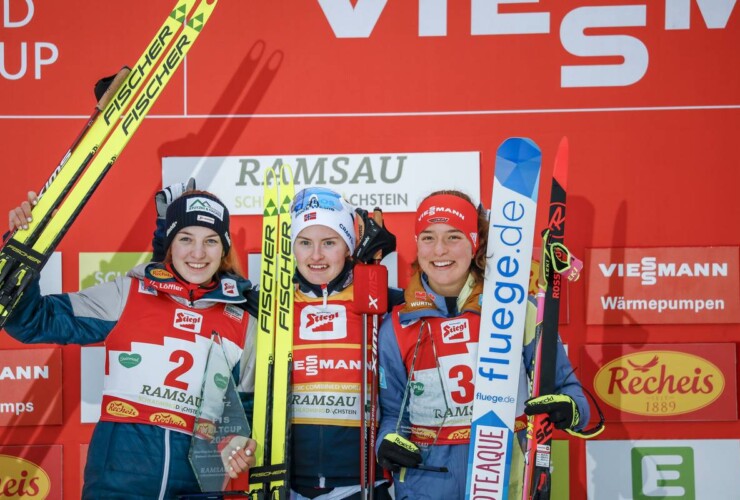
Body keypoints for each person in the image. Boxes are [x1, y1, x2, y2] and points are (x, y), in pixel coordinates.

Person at [5, 189, 258, 499]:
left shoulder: (243, 322)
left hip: (195, 488)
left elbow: (244, 412)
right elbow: (32, 320)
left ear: (224, 249)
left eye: (210, 241)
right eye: (186, 238)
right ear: (169, 243)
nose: (197, 253)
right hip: (119, 484)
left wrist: (236, 441)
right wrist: (21, 248)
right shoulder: (128, 294)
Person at [375, 190, 592, 499]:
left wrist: (570, 409)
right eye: (428, 237)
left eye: (453, 237)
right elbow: (393, 412)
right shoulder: (396, 325)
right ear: (417, 244)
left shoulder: (516, 310)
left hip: (504, 482)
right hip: (426, 486)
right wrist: (387, 442)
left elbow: (569, 390)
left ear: (475, 242)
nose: (439, 250)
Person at [287, 186, 399, 499]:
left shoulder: (382, 302)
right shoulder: (272, 306)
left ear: (348, 246)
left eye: (330, 243)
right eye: (305, 242)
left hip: (361, 481)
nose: (316, 255)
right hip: (290, 481)